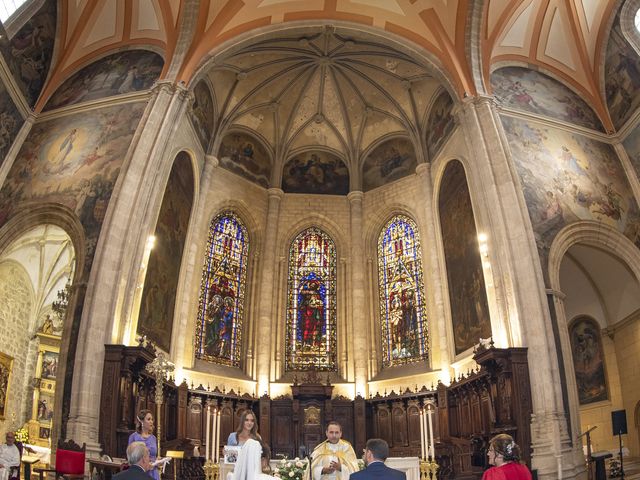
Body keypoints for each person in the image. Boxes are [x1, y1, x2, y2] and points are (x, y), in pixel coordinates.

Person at [128, 410, 159, 480]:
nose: (151, 421)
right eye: (148, 419)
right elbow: (130, 458)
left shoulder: (153, 438)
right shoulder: (133, 437)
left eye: (152, 419)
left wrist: (158, 461)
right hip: (139, 473)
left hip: (152, 473)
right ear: (141, 421)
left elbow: (154, 456)